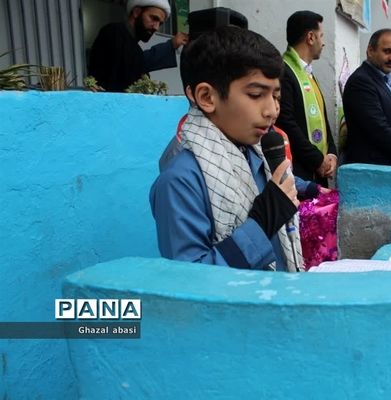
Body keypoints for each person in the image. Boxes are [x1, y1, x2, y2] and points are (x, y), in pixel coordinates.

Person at [150, 26, 303, 272]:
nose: (272, 111)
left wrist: (310, 189)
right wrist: (261, 225)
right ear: (207, 97)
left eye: (275, 96)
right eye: (255, 94)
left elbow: (272, 183)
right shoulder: (180, 182)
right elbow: (190, 283)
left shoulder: (254, 152)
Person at [276, 11, 337, 186]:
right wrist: (317, 160)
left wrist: (331, 154)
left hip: (318, 168)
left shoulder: (308, 73)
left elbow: (323, 119)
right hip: (300, 171)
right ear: (311, 37)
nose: (323, 42)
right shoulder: (285, 71)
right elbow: (285, 122)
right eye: (321, 36)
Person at [342, 29, 391, 167]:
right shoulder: (362, 81)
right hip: (373, 169)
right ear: (370, 51)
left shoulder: (382, 80)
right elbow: (378, 128)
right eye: (387, 51)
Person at [88, 0, 188, 92]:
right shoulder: (114, 33)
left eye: (160, 23)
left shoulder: (134, 47)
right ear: (136, 12)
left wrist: (171, 45)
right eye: (153, 18)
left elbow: (139, 61)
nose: (156, 27)